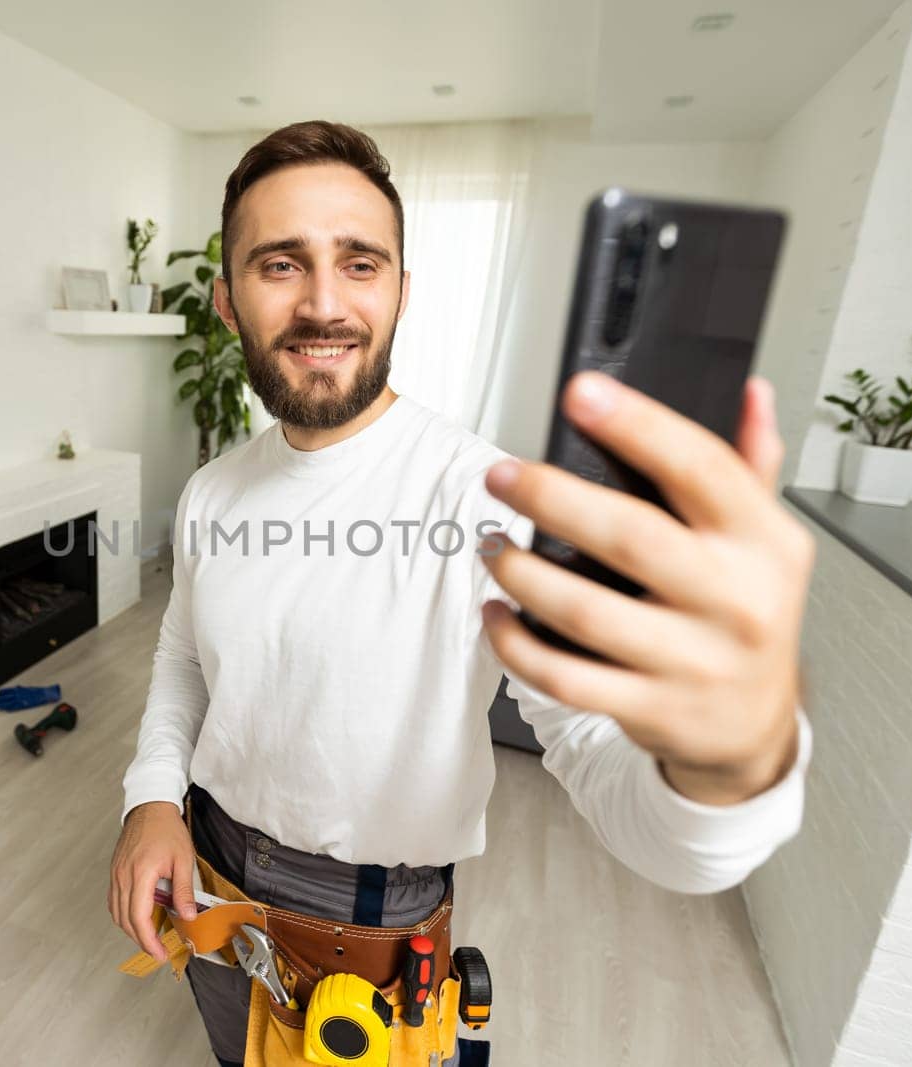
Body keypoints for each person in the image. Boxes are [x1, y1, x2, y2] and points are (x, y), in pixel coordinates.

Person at [108, 120, 814, 1067]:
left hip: (368, 920)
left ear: (401, 293)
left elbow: (612, 771)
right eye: (280, 264)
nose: (324, 303)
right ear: (229, 302)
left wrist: (731, 768)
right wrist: (153, 796)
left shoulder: (491, 500)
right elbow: (184, 657)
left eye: (359, 264)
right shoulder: (212, 491)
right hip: (209, 873)